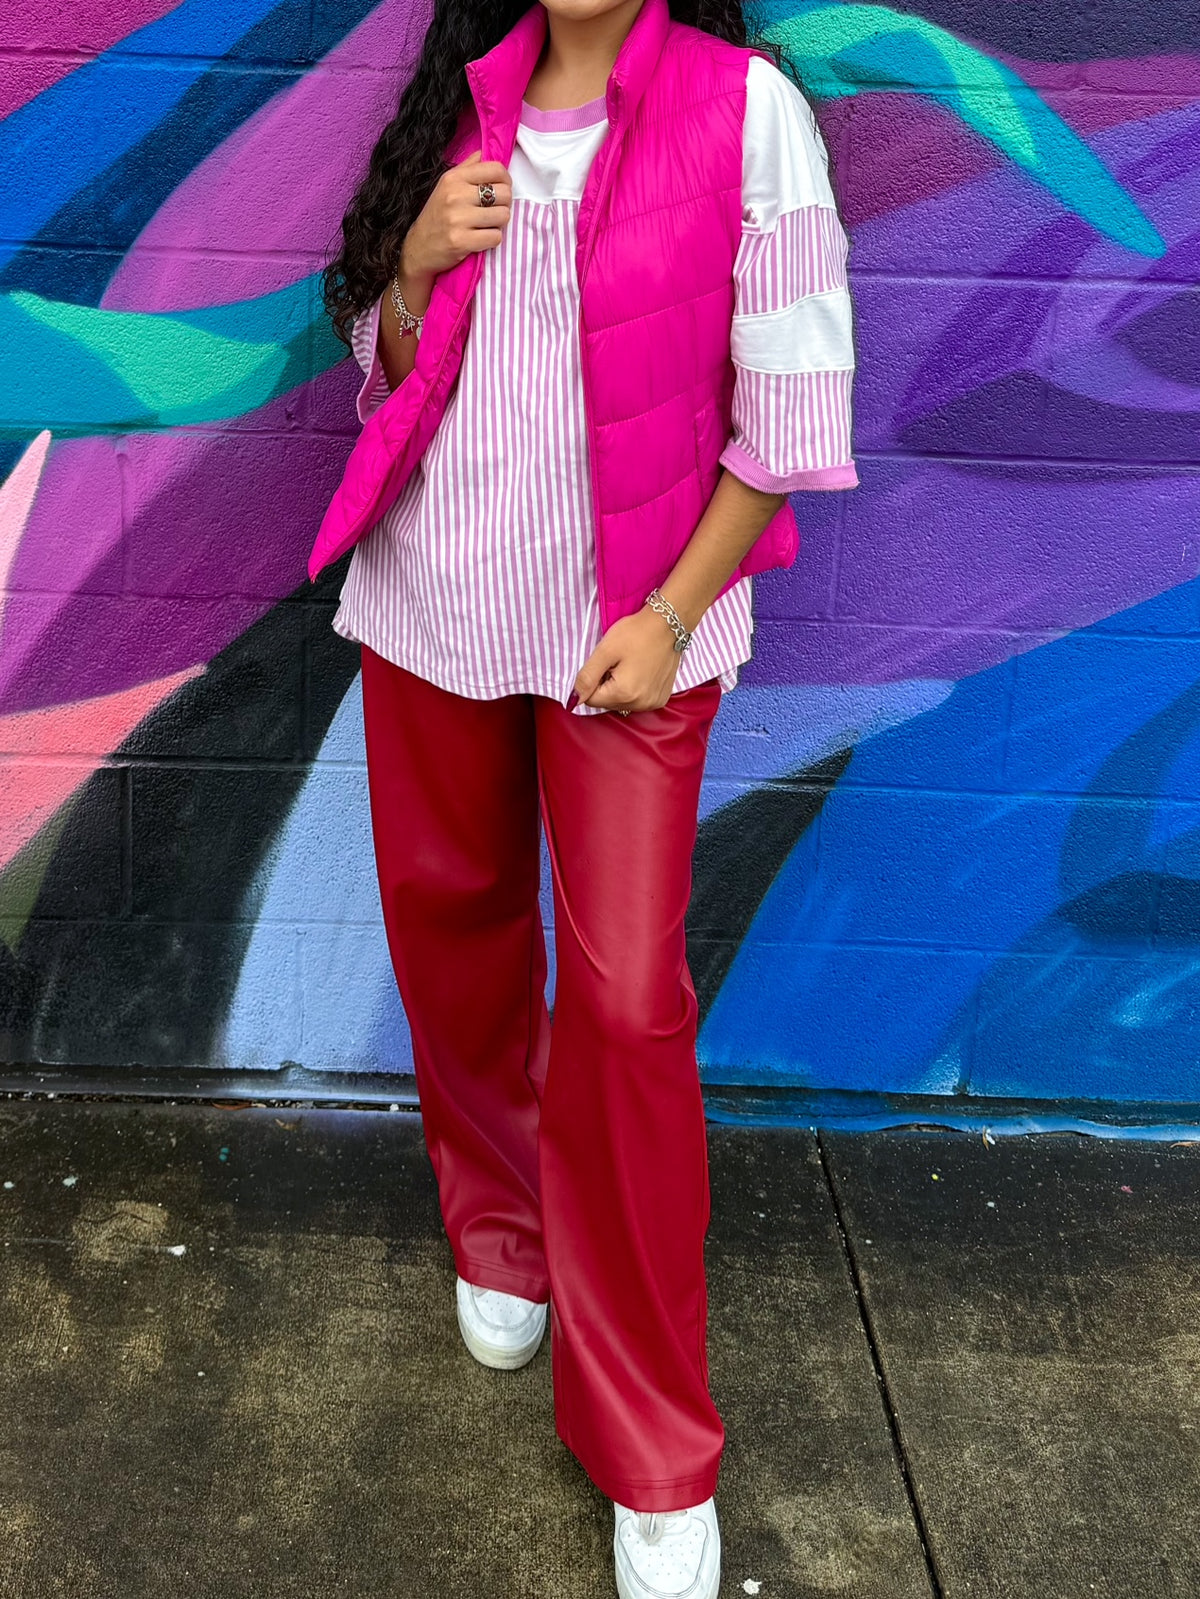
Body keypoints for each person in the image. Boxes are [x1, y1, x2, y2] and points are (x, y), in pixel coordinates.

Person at [312, 1, 857, 1593]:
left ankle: (654, 1448)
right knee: (451, 916)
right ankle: (501, 1228)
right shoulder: (462, 102)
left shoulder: (745, 114)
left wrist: (673, 617)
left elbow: (792, 418)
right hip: (435, 601)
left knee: (624, 1004)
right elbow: (389, 380)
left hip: (636, 634)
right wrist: (411, 270)